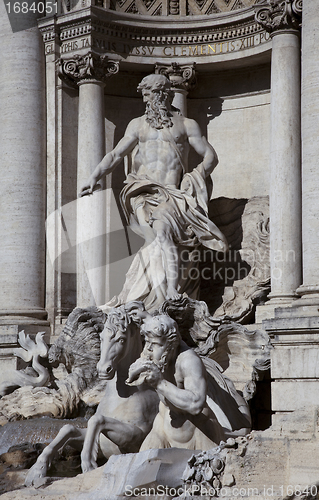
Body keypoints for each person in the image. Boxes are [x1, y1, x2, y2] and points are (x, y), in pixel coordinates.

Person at [79, 73, 228, 310]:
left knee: (160, 236)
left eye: (148, 95)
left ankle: (156, 294)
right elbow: (116, 155)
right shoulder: (137, 125)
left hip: (171, 193)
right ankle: (162, 291)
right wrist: (94, 176)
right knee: (156, 237)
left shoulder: (187, 125)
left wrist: (195, 176)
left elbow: (211, 157)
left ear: (162, 93)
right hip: (141, 191)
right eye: (144, 96)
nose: (145, 100)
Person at [127, 314, 225, 450]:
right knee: (140, 465)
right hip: (162, 425)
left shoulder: (189, 361)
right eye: (147, 342)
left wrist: (159, 383)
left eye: (155, 344)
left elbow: (196, 403)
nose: (148, 350)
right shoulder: (159, 358)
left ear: (171, 345)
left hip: (197, 431)